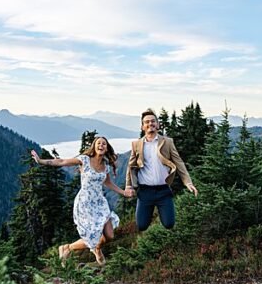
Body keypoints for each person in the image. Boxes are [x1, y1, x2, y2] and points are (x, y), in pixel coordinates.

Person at [31, 136, 133, 266]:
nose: (101, 145)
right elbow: (62, 161)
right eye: (98, 143)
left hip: (100, 203)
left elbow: (108, 183)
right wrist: (40, 161)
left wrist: (123, 192)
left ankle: (95, 248)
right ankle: (67, 248)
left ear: (106, 148)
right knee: (91, 235)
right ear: (94, 146)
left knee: (109, 235)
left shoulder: (105, 165)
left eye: (104, 144)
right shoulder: (84, 160)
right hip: (85, 203)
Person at [124, 108, 198, 232]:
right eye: (146, 122)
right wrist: (128, 186)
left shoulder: (167, 142)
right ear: (142, 126)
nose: (150, 124)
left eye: (153, 121)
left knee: (169, 224)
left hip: (163, 190)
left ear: (157, 125)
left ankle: (162, 218)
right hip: (145, 191)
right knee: (141, 225)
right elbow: (131, 166)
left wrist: (188, 182)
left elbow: (178, 162)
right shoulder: (136, 144)